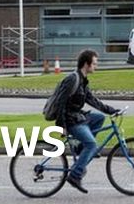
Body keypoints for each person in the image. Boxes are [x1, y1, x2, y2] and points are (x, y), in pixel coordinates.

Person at [53, 49, 119, 194]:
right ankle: (75, 176)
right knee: (91, 144)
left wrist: (112, 110)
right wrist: (62, 126)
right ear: (86, 64)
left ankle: (80, 149)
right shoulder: (73, 79)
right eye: (94, 64)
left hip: (77, 116)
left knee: (99, 118)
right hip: (70, 120)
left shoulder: (82, 80)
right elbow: (61, 103)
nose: (96, 66)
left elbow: (93, 100)